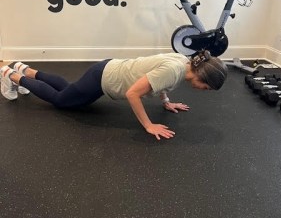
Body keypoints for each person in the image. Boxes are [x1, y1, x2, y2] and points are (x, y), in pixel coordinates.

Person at [0, 50, 227, 140]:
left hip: (107, 69)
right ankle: (10, 74)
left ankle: (23, 69)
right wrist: (148, 125)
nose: (204, 91)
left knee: (68, 89)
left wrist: (166, 102)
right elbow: (132, 94)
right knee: (62, 101)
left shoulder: (182, 62)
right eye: (206, 87)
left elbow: (159, 82)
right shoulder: (174, 71)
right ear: (201, 76)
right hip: (104, 79)